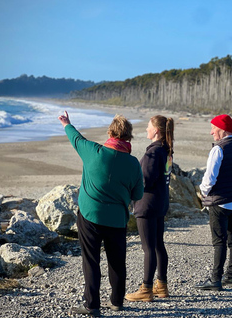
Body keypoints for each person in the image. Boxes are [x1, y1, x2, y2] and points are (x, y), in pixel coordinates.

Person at [58, 111, 144, 316]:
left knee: (91, 260)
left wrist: (66, 123)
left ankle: (92, 305)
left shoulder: (93, 151)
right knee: (117, 261)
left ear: (110, 133)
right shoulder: (133, 164)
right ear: (128, 137)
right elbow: (138, 194)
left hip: (90, 216)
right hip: (117, 219)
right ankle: (116, 302)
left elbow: (76, 138)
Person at [194, 114, 232, 291]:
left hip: (219, 203)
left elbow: (209, 179)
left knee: (219, 242)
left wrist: (203, 193)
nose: (211, 132)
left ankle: (215, 279)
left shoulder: (218, 149)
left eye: (214, 128)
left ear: (223, 129)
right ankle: (231, 277)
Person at [125, 115, 174, 302]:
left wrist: (129, 188)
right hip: (160, 203)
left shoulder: (153, 153)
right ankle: (161, 285)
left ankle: (146, 288)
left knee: (149, 248)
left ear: (156, 131)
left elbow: (144, 180)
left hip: (147, 205)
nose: (146, 129)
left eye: (148, 126)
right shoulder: (166, 150)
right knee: (158, 245)